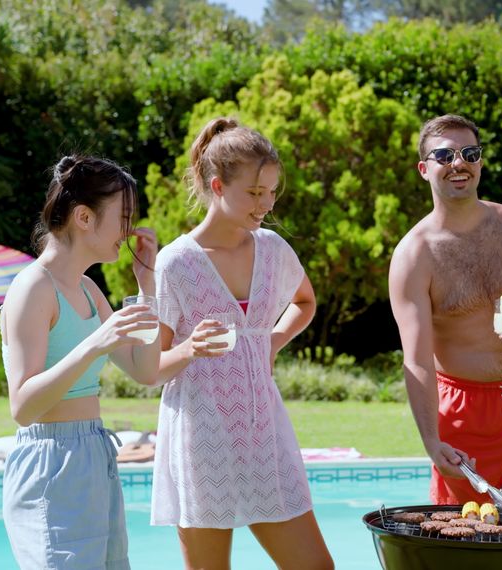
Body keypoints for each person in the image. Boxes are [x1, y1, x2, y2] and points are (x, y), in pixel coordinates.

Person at [148, 117, 333, 570]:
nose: (265, 204)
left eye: (271, 192)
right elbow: (151, 367)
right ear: (217, 185)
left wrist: (272, 339)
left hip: (264, 436)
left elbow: (304, 301)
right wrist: (191, 349)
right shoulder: (176, 264)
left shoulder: (272, 249)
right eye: (254, 193)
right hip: (201, 440)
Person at [389, 114, 502, 505]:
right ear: (424, 169)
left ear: (481, 162)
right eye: (445, 155)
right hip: (464, 416)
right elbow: (418, 361)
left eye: (470, 153)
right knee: (468, 540)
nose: (460, 163)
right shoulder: (414, 254)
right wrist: (431, 441)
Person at [0, 155, 161, 569]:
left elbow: (145, 371)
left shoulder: (88, 289)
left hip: (93, 455)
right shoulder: (33, 288)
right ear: (84, 217)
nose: (128, 231)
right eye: (123, 217)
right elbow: (23, 406)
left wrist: (148, 285)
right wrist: (93, 345)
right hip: (50, 464)